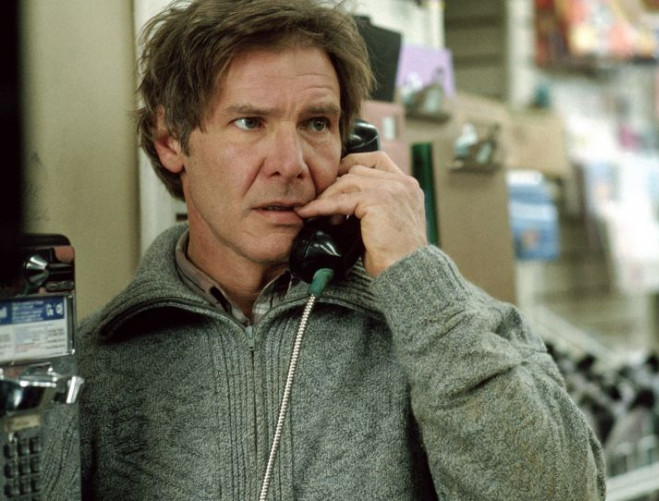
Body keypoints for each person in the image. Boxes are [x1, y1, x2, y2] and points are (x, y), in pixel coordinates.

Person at [74, 0, 606, 499]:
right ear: (171, 140)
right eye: (250, 122)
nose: (290, 164)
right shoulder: (94, 363)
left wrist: (415, 278)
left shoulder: (449, 322)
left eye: (316, 124)